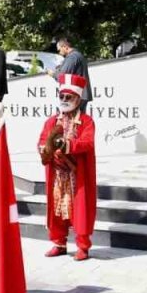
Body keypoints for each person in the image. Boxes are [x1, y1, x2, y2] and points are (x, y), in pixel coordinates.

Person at [39, 74, 96, 261]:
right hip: (57, 173)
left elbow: (87, 143)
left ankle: (83, 247)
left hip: (76, 173)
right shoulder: (51, 121)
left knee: (80, 208)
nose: (64, 100)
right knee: (56, 209)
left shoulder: (87, 121)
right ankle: (59, 243)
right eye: (62, 96)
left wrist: (68, 145)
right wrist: (46, 149)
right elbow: (41, 140)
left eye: (68, 97)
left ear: (78, 99)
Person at [53, 38, 92, 112]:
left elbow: (63, 75)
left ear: (65, 47)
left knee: (72, 120)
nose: (59, 52)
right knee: (79, 120)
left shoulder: (72, 57)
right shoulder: (78, 55)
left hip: (76, 94)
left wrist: (53, 74)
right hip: (81, 93)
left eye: (59, 50)